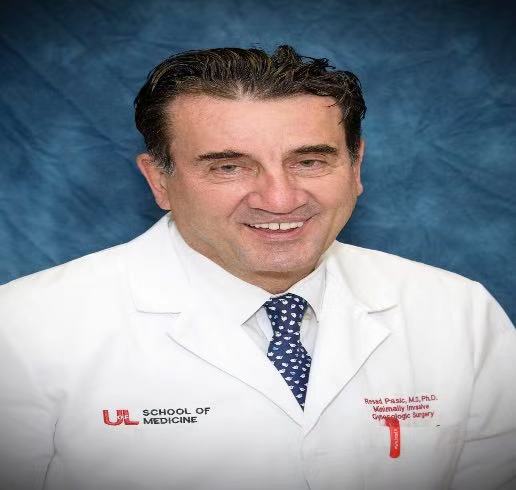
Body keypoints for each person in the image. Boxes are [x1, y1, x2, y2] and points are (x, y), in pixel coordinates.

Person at [0, 45, 514, 490]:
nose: (280, 198)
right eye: (228, 166)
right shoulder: (23, 328)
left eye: (309, 161)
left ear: (355, 165)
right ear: (159, 180)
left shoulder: (457, 312)